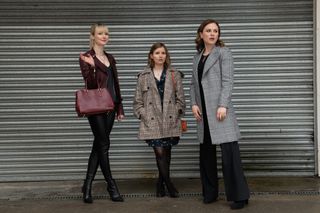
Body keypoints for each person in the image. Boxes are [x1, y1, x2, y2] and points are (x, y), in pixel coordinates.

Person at [190, 19, 250, 210]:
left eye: (215, 31)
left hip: (219, 111)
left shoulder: (224, 53)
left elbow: (228, 81)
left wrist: (223, 104)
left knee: (229, 154)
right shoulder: (197, 57)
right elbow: (193, 84)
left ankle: (240, 196)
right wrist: (193, 104)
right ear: (201, 34)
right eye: (208, 30)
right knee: (206, 153)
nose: (212, 34)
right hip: (203, 112)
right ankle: (210, 193)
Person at [79, 23, 124, 203]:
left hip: (111, 106)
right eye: (100, 33)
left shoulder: (110, 57)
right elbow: (90, 85)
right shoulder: (86, 57)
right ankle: (111, 185)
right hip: (96, 107)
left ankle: (87, 185)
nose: (104, 36)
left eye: (106, 33)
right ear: (92, 36)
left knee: (99, 145)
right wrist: (92, 67)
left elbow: (115, 84)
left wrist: (119, 107)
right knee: (104, 144)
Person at [133, 42, 186, 198]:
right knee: (160, 154)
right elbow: (137, 101)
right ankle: (169, 184)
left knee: (167, 154)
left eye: (163, 53)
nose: (160, 56)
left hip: (170, 119)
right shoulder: (143, 76)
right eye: (157, 53)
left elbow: (181, 99)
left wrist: (176, 111)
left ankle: (160, 184)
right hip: (152, 120)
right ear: (151, 56)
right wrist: (143, 114)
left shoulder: (174, 74)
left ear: (166, 55)